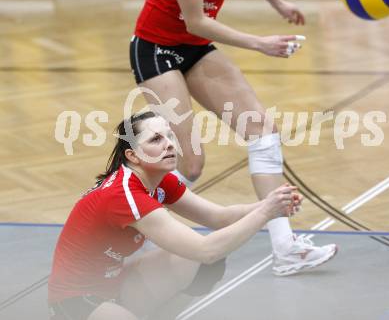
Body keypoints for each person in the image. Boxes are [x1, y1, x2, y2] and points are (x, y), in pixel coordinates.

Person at [129, 0, 337, 276]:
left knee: (263, 132)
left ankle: (285, 249)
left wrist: (278, 3)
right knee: (190, 163)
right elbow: (196, 20)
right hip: (156, 49)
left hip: (195, 47)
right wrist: (259, 43)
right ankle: (128, 220)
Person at [48, 111, 303, 320]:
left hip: (116, 282)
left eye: (170, 136)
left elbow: (219, 217)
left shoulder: (159, 180)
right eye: (156, 140)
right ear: (133, 155)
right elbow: (206, 249)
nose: (169, 143)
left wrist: (270, 205)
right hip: (75, 300)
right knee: (206, 253)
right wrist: (266, 212)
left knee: (206, 265)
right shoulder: (124, 194)